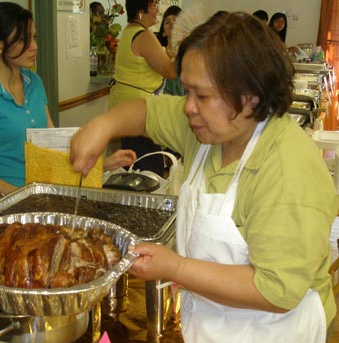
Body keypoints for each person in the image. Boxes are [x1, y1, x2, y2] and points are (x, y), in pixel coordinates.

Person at [70, 11, 338, 342]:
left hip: (276, 331)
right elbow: (145, 112)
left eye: (202, 96)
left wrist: (175, 268)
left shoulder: (286, 170)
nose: (189, 107)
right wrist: (101, 126)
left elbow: (276, 292)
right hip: (215, 324)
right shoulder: (208, 129)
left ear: (250, 95)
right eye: (187, 92)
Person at [0, 2, 136, 203]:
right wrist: (21, 194)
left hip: (41, 198)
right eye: (24, 40)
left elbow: (54, 149)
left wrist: (100, 164)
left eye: (34, 37)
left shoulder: (34, 83)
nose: (34, 47)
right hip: (5, 206)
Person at [109, 0, 177, 177]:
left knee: (131, 167)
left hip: (127, 111)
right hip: (140, 115)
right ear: (141, 10)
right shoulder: (144, 36)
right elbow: (170, 72)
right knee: (150, 171)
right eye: (154, 5)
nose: (158, 10)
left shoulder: (129, 31)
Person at [155, 5, 185, 97]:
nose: (172, 23)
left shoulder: (189, 53)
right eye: (167, 22)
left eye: (175, 21)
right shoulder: (158, 52)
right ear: (163, 32)